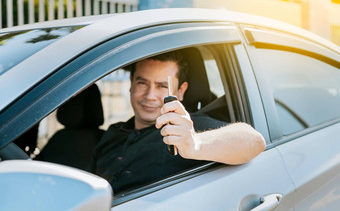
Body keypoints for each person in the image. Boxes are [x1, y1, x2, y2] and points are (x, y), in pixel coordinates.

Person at [89, 50, 265, 193]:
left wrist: (195, 144)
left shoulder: (187, 129)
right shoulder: (113, 133)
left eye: (162, 86)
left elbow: (254, 140)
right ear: (131, 83)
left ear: (181, 91)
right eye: (142, 83)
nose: (150, 96)